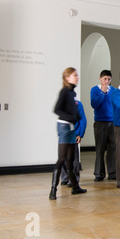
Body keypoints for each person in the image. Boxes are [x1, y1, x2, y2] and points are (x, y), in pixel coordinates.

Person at [50, 67, 87, 200]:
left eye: (77, 75)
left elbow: (73, 111)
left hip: (71, 128)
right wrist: (70, 118)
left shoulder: (72, 93)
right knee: (62, 159)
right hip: (64, 128)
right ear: (67, 78)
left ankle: (75, 187)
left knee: (70, 160)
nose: (77, 77)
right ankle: (53, 190)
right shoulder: (65, 91)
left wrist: (75, 117)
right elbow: (57, 109)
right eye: (74, 75)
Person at [90, 70, 117, 181]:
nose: (107, 81)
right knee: (100, 149)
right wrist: (102, 92)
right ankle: (99, 174)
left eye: (109, 79)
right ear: (100, 79)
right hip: (100, 122)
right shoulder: (94, 90)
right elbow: (94, 104)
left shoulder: (114, 90)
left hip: (112, 123)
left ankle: (112, 173)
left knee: (112, 149)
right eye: (105, 79)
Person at [60, 99, 86, 186]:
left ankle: (74, 179)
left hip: (73, 135)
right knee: (63, 157)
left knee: (74, 159)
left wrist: (80, 134)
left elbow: (83, 120)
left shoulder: (78, 104)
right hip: (64, 135)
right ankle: (65, 178)